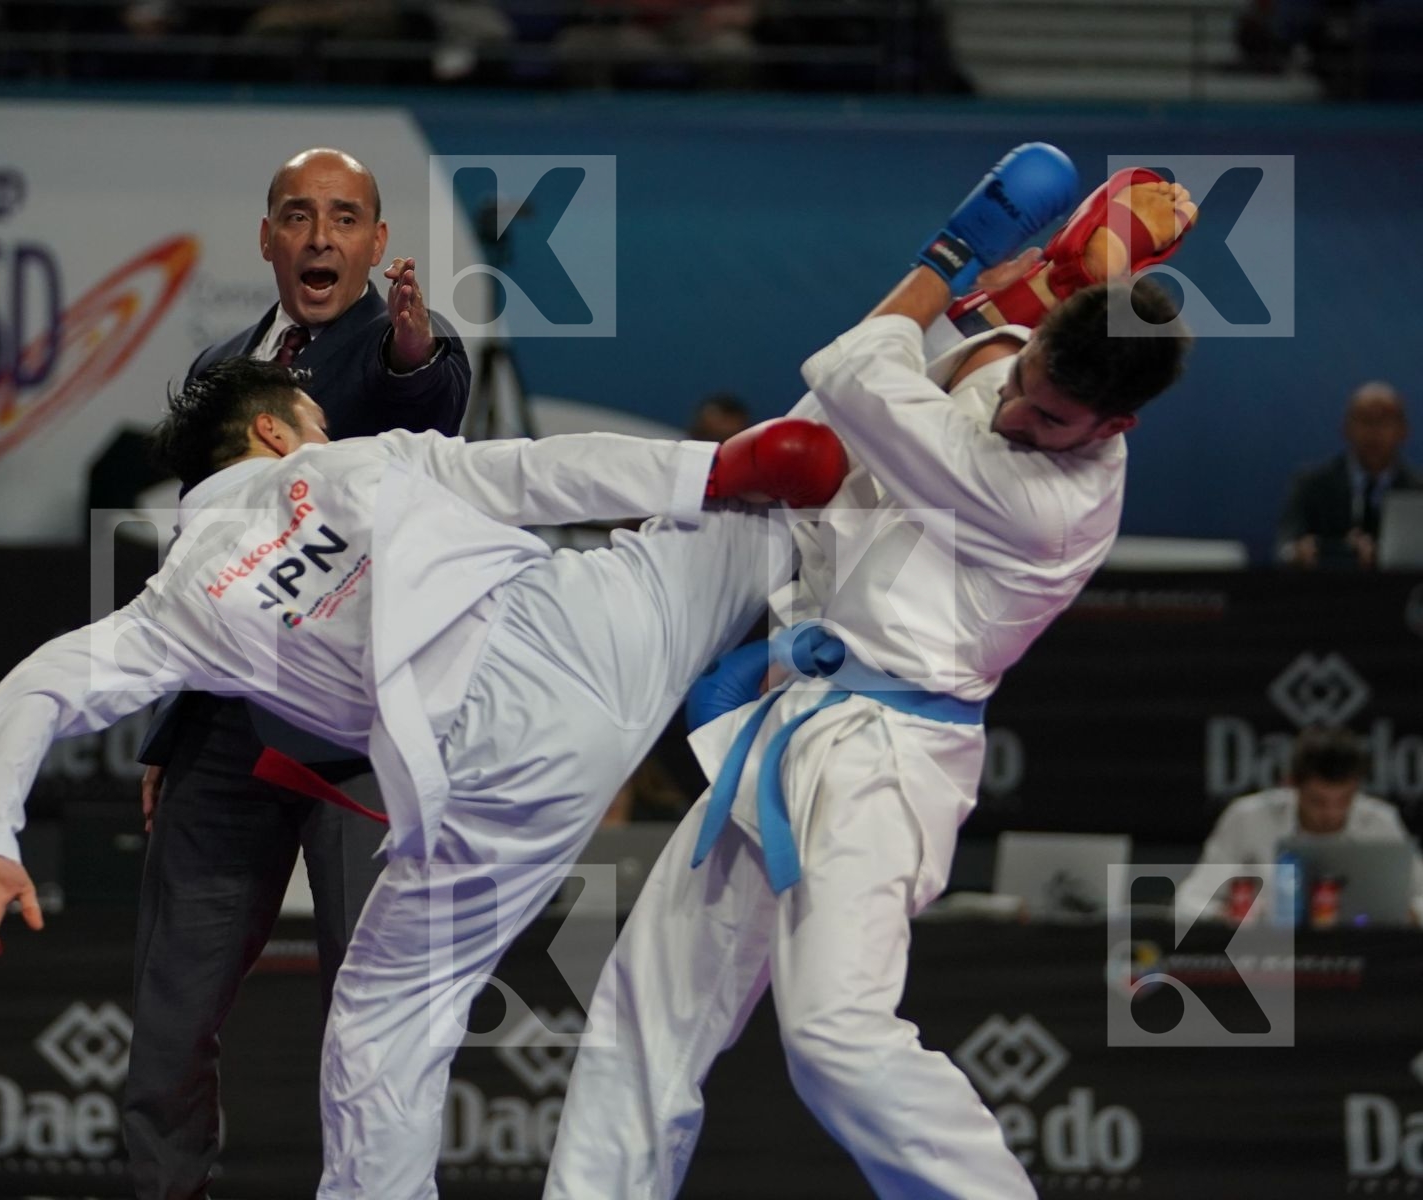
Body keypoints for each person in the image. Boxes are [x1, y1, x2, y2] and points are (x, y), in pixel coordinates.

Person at [0, 354, 844, 1196]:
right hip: (595, 626)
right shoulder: (359, 462)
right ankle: (967, 301)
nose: (323, 431)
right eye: (313, 419)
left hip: (501, 771)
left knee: (383, 1033)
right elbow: (532, 472)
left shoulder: (178, 605)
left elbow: (45, 681)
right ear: (275, 432)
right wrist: (714, 470)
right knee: (806, 465)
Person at [545, 151, 1193, 1199]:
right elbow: (914, 374)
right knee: (644, 1011)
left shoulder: (1050, 500)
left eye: (1054, 421)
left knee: (838, 1038)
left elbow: (851, 371)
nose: (1023, 417)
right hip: (791, 724)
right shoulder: (1016, 369)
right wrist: (1038, 295)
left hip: (888, 761)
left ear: (1113, 429)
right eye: (1028, 386)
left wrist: (958, 255)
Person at [125, 147, 467, 1200]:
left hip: (358, 749)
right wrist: (170, 731)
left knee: (372, 1035)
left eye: (345, 218)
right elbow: (208, 571)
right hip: (226, 741)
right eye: (300, 216)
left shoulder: (395, 350)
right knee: (167, 1035)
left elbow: (424, 390)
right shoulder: (229, 366)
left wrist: (413, 340)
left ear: (373, 242)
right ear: (269, 237)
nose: (322, 235)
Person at [1175, 726, 1423, 925]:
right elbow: (1188, 902)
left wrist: (1412, 914)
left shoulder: (1381, 822)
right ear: (1292, 785)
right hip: (1266, 956)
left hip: (1362, 957)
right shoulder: (1247, 818)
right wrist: (1221, 917)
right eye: (1318, 801)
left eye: (1344, 800)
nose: (1331, 812)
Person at [1277, 382, 1420, 569]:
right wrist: (1298, 552)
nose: (1373, 431)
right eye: (1364, 420)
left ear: (1403, 430)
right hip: (1325, 591)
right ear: (1346, 428)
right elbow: (1285, 545)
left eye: (1384, 421)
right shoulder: (1312, 484)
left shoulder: (1418, 490)